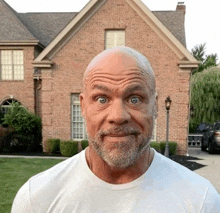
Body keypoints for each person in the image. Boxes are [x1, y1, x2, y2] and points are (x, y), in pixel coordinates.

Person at [12, 46, 220, 212]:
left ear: (156, 106)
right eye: (102, 99)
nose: (118, 116)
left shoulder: (200, 201)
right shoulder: (36, 199)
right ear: (83, 106)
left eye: (134, 98)